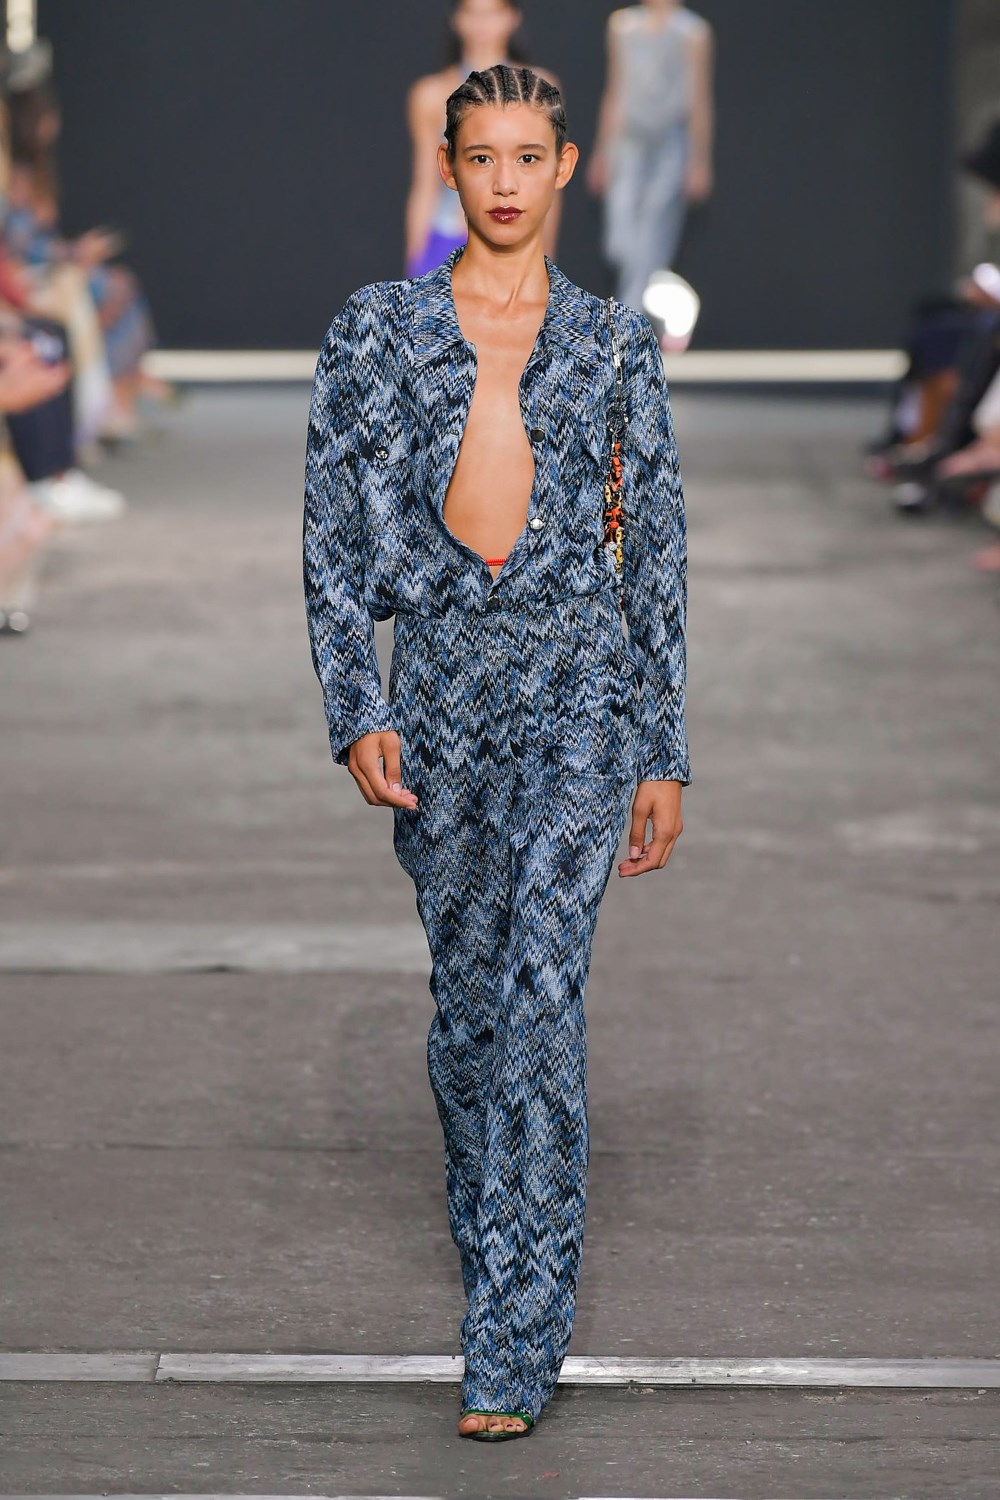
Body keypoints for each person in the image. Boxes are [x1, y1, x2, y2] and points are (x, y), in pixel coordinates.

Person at [303, 62, 690, 1441]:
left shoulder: (616, 344)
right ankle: (497, 1242)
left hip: (579, 690)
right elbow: (330, 535)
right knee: (471, 1011)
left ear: (566, 166)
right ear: (452, 166)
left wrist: (662, 744)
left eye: (529, 155)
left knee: (537, 1000)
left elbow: (655, 551)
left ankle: (515, 1335)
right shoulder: (376, 331)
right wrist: (355, 703)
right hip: (444, 691)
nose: (506, 180)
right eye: (482, 157)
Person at [404, 0, 562, 277]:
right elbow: (425, 186)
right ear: (456, 19)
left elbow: (548, 183)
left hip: (514, 242)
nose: (482, 25)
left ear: (513, 17)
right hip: (447, 239)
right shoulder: (430, 94)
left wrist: (545, 262)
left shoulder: (541, 90)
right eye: (472, 13)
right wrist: (413, 267)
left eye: (492, 14)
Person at [587, 0, 714, 322]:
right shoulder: (622, 26)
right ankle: (640, 311)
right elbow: (615, 92)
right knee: (619, 240)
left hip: (671, 142)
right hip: (628, 140)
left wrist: (699, 161)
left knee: (654, 230)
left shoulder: (694, 32)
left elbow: (699, 100)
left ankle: (626, 321)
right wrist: (602, 152)